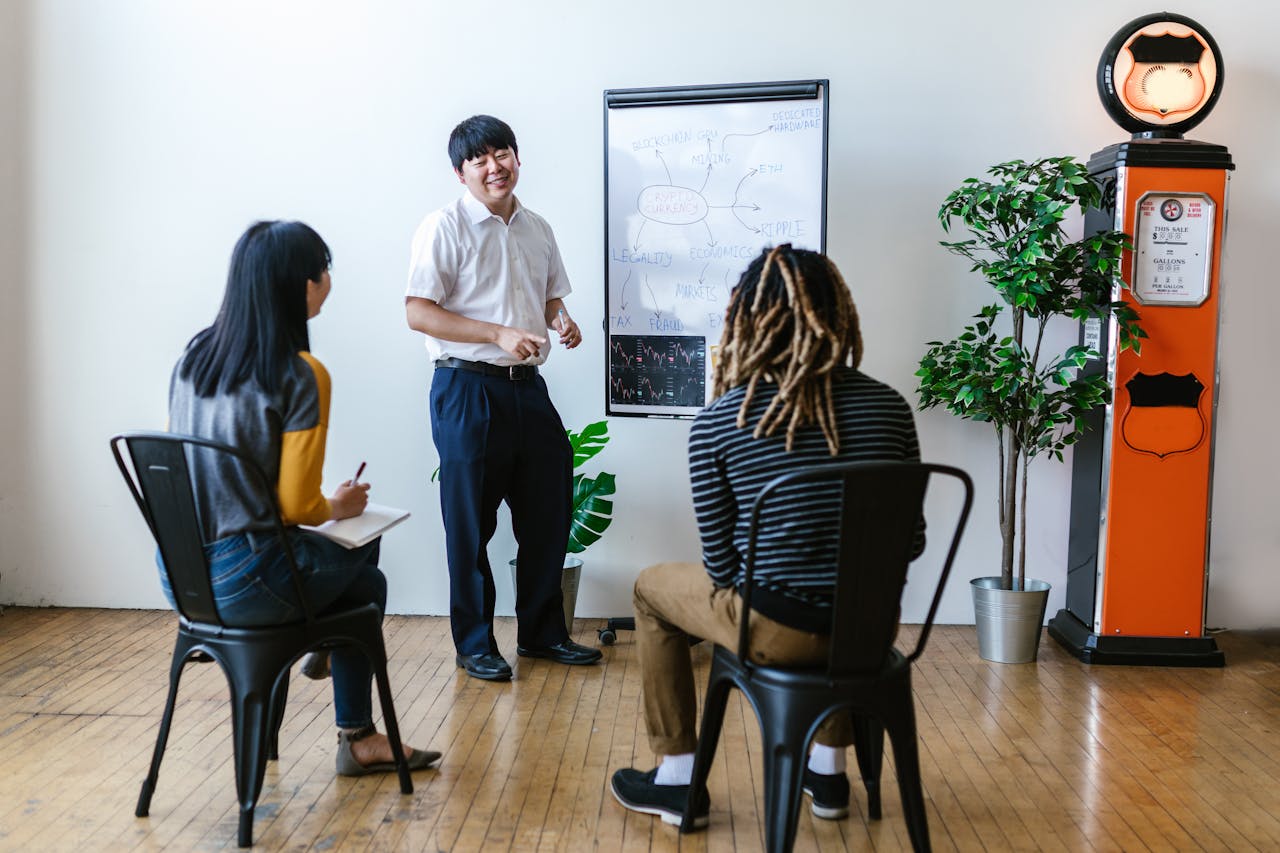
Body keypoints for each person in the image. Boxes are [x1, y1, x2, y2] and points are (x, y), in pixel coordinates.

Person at [610, 244, 926, 827]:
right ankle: (829, 774)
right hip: (869, 629)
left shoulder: (718, 422)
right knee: (841, 589)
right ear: (837, 312)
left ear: (745, 319)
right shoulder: (891, 407)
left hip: (776, 632)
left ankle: (678, 779)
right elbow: (912, 543)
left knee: (650, 589)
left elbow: (724, 571)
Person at [165, 220, 439, 776]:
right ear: (303, 283)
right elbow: (296, 507)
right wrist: (339, 507)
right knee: (368, 573)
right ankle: (355, 731)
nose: (330, 280)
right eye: (325, 269)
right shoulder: (300, 374)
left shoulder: (194, 360)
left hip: (182, 575)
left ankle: (325, 678)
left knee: (359, 581)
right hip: (249, 577)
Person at [405, 115, 602, 682]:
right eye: (479, 159)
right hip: (467, 387)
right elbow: (419, 310)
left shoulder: (536, 228)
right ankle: (475, 644)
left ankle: (542, 634)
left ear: (518, 157)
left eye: (503, 153)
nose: (494, 167)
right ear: (460, 172)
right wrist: (495, 334)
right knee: (470, 524)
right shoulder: (443, 227)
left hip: (528, 389)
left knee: (546, 511)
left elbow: (547, 303)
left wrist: (561, 321)